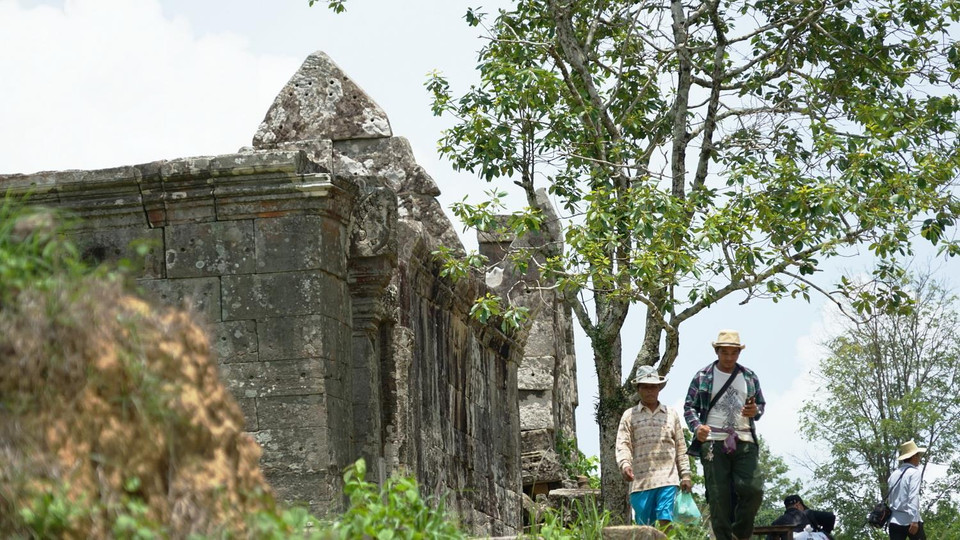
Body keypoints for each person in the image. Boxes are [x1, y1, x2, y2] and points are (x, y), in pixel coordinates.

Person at [684, 329, 766, 540]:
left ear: (739, 353)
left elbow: (761, 406)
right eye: (725, 353)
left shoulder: (749, 376)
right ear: (717, 351)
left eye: (734, 353)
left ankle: (739, 534)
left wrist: (754, 410)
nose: (729, 358)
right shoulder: (703, 376)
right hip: (713, 441)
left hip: (744, 439)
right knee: (718, 498)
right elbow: (689, 407)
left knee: (754, 490)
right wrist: (697, 427)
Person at [615, 365, 693, 527]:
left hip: (667, 478)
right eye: (645, 387)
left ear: (659, 389)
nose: (650, 391)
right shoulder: (629, 416)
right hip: (641, 481)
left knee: (666, 518)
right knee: (644, 527)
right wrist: (625, 465)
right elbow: (623, 444)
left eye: (653, 387)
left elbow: (680, 446)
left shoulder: (671, 414)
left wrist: (685, 474)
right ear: (638, 389)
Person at [888, 440, 927, 540]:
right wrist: (914, 520)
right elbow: (913, 496)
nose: (919, 459)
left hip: (894, 521)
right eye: (918, 456)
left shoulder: (894, 474)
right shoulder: (914, 472)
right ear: (914, 456)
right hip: (909, 521)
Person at [765, 494, 835, 540]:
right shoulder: (807, 513)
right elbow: (830, 516)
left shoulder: (777, 522)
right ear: (798, 505)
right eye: (803, 506)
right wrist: (822, 531)